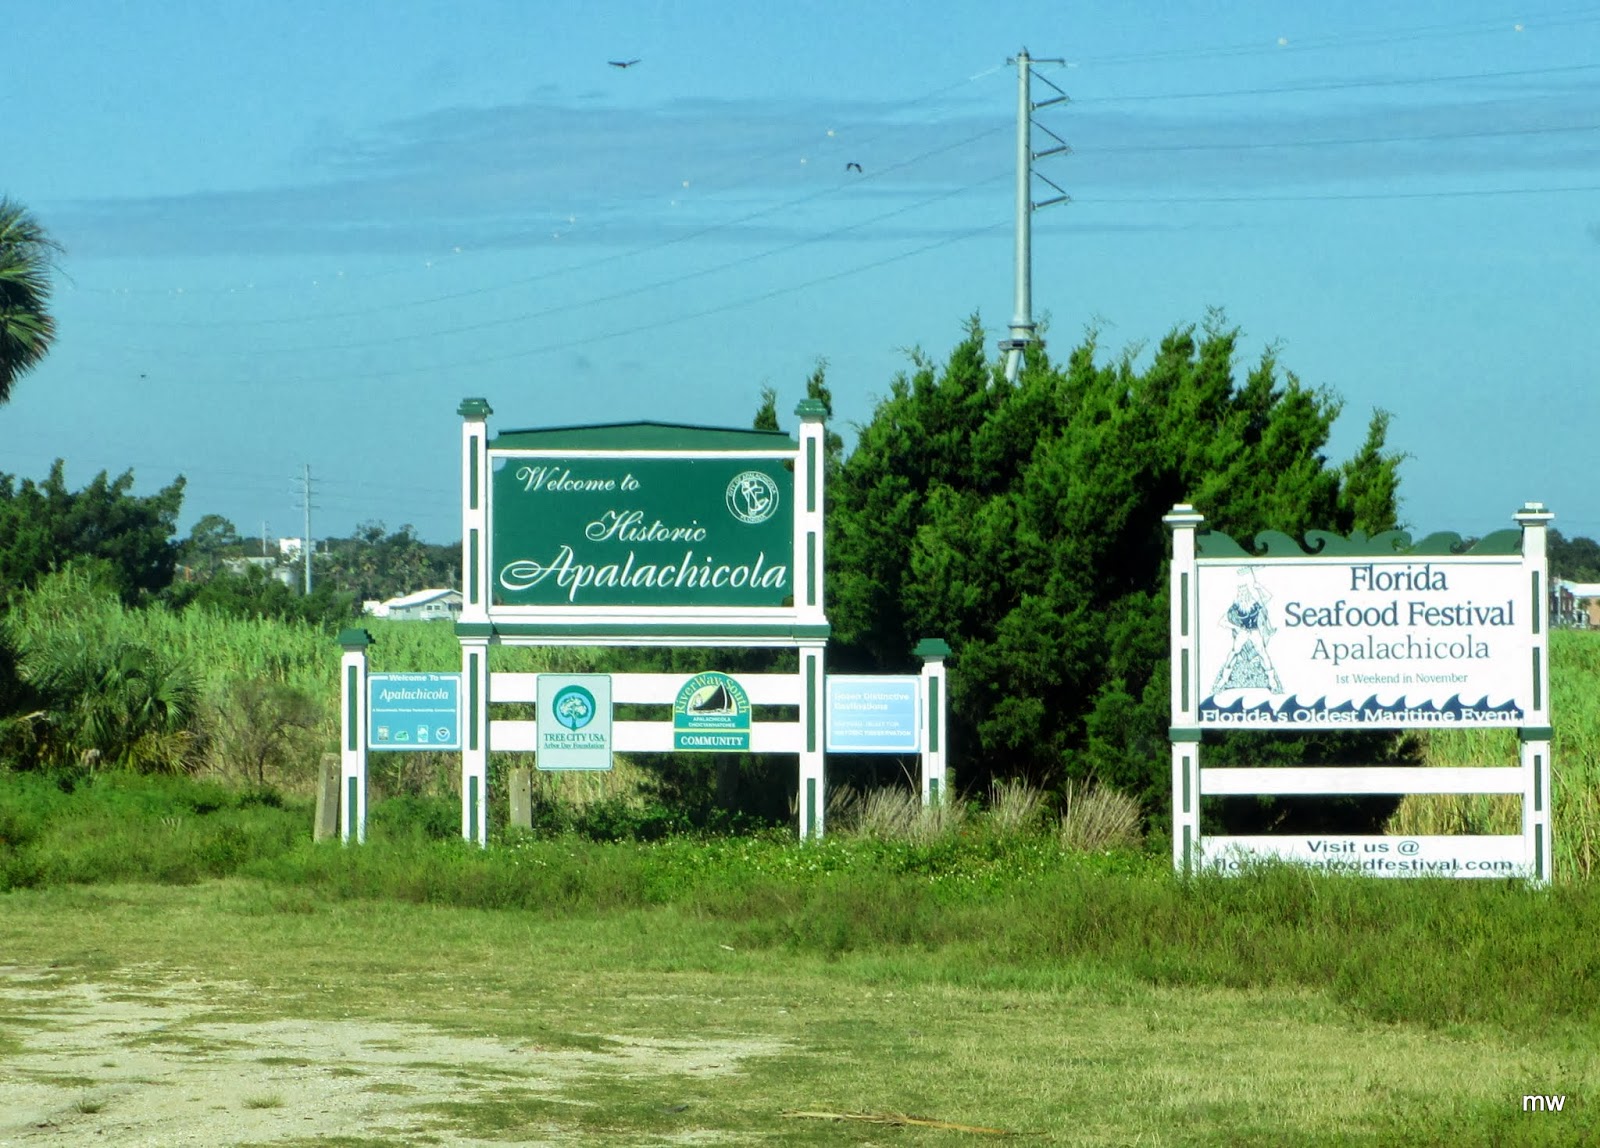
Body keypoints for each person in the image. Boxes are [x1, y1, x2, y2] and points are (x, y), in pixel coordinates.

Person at [1212, 567, 1283, 693]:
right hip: (1243, 632)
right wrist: (1237, 627)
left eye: (1245, 591)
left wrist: (1258, 586)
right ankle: (1223, 680)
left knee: (1262, 653)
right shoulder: (1236, 607)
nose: (1243, 594)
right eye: (1241, 592)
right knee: (1234, 652)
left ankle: (1272, 682)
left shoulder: (1255, 604)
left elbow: (1268, 596)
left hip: (1255, 631)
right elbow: (1222, 621)